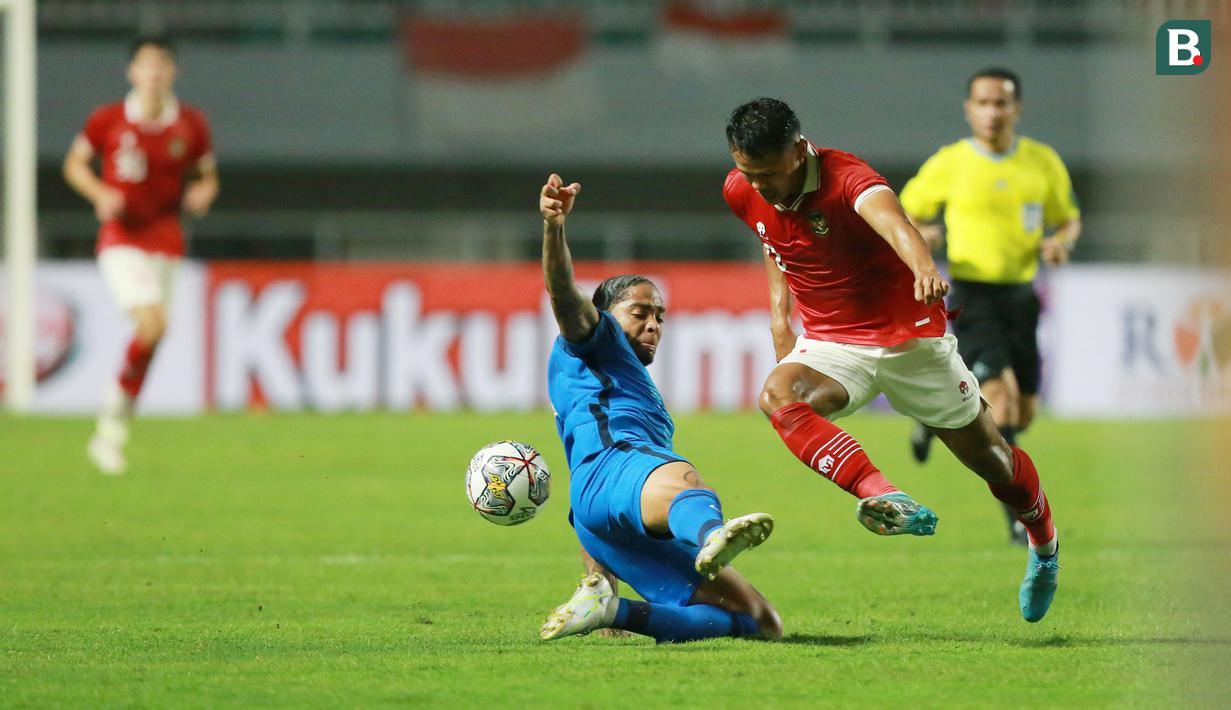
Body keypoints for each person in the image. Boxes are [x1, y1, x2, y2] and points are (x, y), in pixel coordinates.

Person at [722, 98, 1059, 622]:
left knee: (994, 462)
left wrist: (924, 266)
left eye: (766, 173)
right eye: (747, 172)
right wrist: (778, 318)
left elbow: (898, 224)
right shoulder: (742, 188)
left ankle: (1044, 546)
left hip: (910, 341)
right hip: (834, 341)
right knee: (777, 397)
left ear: (796, 150)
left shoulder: (849, 178)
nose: (757, 184)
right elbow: (772, 241)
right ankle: (883, 494)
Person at [536, 173, 783, 643]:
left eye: (660, 316)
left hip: (605, 513)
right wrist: (554, 227)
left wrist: (596, 577)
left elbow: (585, 491)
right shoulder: (596, 341)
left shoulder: (609, 384)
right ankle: (711, 532)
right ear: (605, 315)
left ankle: (616, 613)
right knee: (682, 476)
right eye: (641, 312)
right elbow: (563, 294)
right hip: (624, 476)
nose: (654, 325)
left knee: (761, 623)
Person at [899, 68, 1082, 546]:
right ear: (969, 109)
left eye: (1001, 103)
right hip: (971, 295)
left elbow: (1069, 219)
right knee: (998, 405)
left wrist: (1061, 242)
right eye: (983, 102)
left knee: (1022, 415)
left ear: (1016, 109)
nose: (992, 112)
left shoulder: (1042, 162)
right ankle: (1020, 520)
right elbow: (905, 211)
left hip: (1022, 298)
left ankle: (932, 414)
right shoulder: (951, 163)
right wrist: (924, 234)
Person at [63, 35, 218, 475]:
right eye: (146, 65)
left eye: (163, 65)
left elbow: (207, 174)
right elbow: (74, 165)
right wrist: (99, 192)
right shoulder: (108, 120)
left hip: (166, 238)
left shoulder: (191, 125)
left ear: (173, 73)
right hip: (122, 237)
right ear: (132, 72)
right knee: (153, 324)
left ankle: (111, 429)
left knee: (153, 335)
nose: (154, 73)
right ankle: (111, 421)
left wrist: (204, 191)